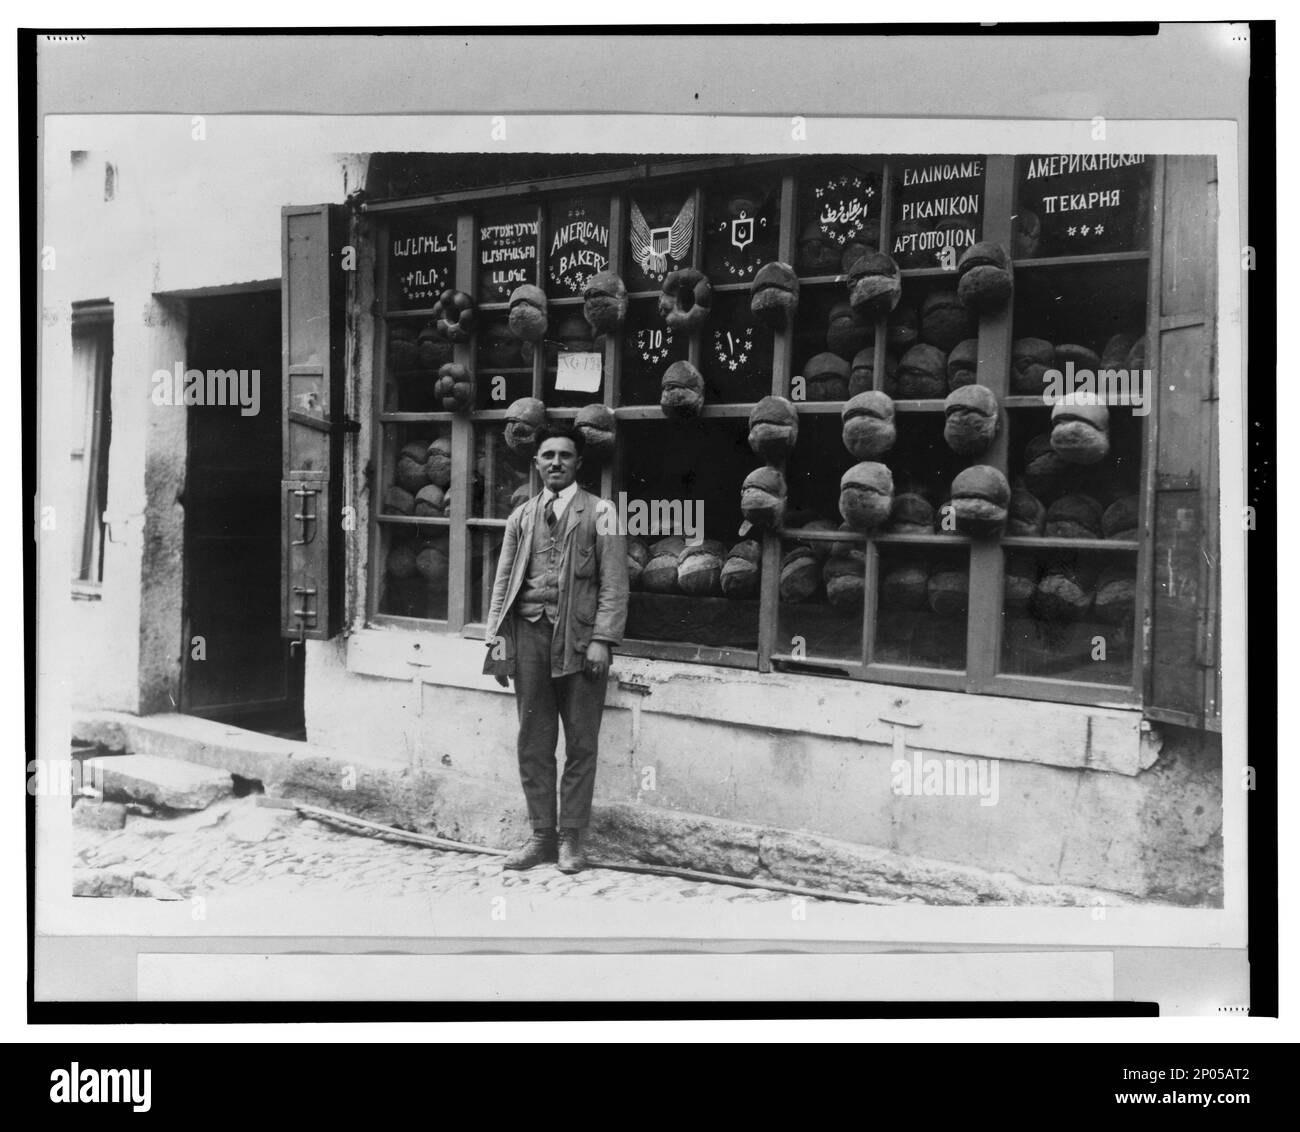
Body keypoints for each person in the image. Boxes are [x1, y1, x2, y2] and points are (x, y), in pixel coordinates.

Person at [483, 425, 629, 873]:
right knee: (533, 741)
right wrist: (498, 642)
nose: (556, 463)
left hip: (582, 644)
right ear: (536, 463)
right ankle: (541, 836)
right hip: (528, 637)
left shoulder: (602, 513)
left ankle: (572, 841)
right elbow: (504, 583)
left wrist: (603, 641)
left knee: (581, 743)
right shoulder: (523, 517)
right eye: (547, 456)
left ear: (578, 463)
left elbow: (615, 585)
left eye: (565, 456)